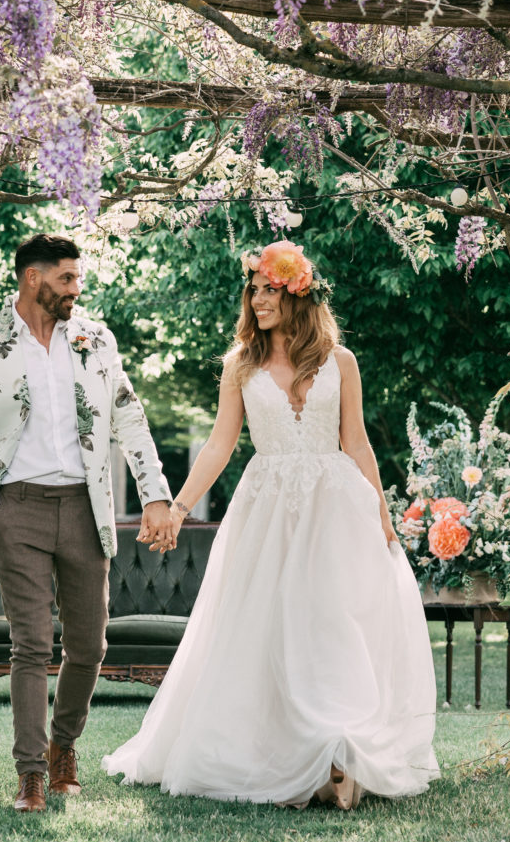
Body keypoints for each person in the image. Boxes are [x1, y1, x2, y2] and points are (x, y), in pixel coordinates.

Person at [102, 240, 440, 809]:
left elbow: (355, 442)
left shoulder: (340, 361)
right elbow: (218, 444)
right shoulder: (241, 365)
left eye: (269, 289)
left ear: (297, 293)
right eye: (253, 291)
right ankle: (289, 756)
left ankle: (340, 749)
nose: (258, 300)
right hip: (269, 509)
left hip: (337, 509)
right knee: (272, 628)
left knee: (334, 625)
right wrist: (179, 507)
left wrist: (381, 513)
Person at [0, 233, 175, 813]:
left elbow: (130, 420)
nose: (76, 289)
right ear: (32, 279)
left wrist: (155, 495)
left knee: (90, 646)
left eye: (77, 279)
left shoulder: (96, 341)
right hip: (15, 508)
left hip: (86, 507)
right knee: (31, 645)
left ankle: (65, 746)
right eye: (66, 278)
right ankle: (32, 773)